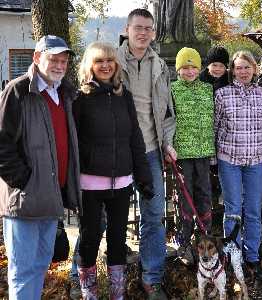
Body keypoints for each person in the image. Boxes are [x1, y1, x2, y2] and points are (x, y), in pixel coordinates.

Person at [0, 35, 80, 299]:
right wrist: (25, 181)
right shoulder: (18, 90)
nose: (59, 65)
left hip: (50, 196)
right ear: (36, 58)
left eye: (63, 60)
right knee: (22, 271)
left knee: (40, 265)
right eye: (53, 59)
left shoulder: (65, 93)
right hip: (24, 200)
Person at [73, 41, 153, 299]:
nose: (105, 65)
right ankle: (90, 293)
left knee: (118, 240)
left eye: (110, 60)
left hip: (121, 182)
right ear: (90, 66)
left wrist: (143, 176)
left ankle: (117, 293)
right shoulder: (80, 98)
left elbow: (135, 139)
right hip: (90, 183)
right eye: (99, 61)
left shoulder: (124, 95)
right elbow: (72, 141)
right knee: (90, 238)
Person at [117, 8, 176, 299]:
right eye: (138, 27)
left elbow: (166, 111)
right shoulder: (110, 62)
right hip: (116, 153)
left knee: (153, 216)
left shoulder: (160, 66)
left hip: (151, 151)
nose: (143, 33)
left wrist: (167, 142)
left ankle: (152, 277)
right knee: (104, 216)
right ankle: (84, 275)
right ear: (127, 29)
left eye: (148, 28)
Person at [214, 50, 262, 279]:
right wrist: (214, 160)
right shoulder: (222, 95)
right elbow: (215, 127)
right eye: (239, 67)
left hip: (255, 162)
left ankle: (252, 257)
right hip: (229, 160)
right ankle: (234, 257)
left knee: (253, 210)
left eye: (247, 67)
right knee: (233, 209)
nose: (243, 72)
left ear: (254, 69)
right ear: (233, 70)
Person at [171, 47, 215, 263]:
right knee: (185, 198)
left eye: (193, 67)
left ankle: (205, 237)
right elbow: (168, 120)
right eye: (185, 68)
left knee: (204, 194)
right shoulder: (173, 90)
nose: (189, 71)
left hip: (204, 152)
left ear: (200, 69)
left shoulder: (208, 89)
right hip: (182, 154)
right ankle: (184, 240)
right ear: (178, 70)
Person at [199, 46, 230, 224]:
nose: (217, 69)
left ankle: (221, 207)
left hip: (225, 134)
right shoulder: (201, 81)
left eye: (221, 65)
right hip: (207, 134)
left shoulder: (230, 81)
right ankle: (208, 212)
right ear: (208, 65)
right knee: (207, 177)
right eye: (214, 65)